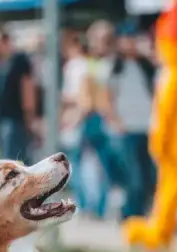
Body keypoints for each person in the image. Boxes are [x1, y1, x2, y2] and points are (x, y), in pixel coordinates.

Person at [65, 20, 123, 220]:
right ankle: (95, 207)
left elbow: (90, 99)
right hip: (100, 118)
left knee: (87, 164)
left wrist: (75, 117)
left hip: (96, 119)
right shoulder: (97, 63)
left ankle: (91, 206)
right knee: (97, 165)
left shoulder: (96, 64)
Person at [108, 28, 157, 219]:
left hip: (147, 126)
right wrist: (116, 121)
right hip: (126, 128)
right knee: (132, 175)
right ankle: (130, 214)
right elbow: (108, 98)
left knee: (148, 175)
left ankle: (144, 212)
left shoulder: (146, 65)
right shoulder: (114, 67)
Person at [0, 31, 37, 163]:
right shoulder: (0, 63)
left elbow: (27, 88)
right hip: (4, 119)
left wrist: (29, 116)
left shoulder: (19, 60)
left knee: (14, 159)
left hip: (16, 118)